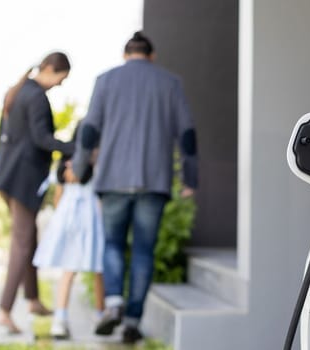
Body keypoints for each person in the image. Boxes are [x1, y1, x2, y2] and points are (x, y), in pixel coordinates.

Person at [71, 31, 198, 344]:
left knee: (113, 245)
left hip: (112, 180)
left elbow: (89, 130)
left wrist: (79, 167)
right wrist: (190, 178)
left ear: (125, 54)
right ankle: (131, 321)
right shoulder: (170, 83)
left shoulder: (105, 80)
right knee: (143, 251)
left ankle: (113, 304)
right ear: (151, 55)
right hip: (153, 182)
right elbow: (187, 134)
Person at [0, 51, 74, 334]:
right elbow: (41, 139)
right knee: (22, 244)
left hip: (6, 175)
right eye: (60, 79)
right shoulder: (35, 96)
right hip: (22, 179)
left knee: (28, 237)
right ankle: (4, 310)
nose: (59, 85)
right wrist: (76, 148)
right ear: (50, 69)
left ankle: (33, 299)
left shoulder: (18, 90)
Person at [32, 132, 105, 340]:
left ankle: (60, 320)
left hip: (68, 218)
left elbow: (58, 196)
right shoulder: (97, 161)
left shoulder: (65, 162)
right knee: (99, 268)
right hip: (92, 217)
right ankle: (100, 316)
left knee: (68, 270)